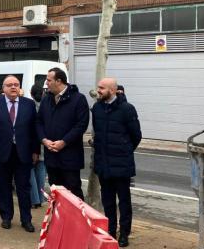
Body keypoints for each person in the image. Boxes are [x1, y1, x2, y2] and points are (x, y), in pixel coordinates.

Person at [0, 75, 40, 233]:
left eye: (16, 84)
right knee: (4, 186)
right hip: (2, 152)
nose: (13, 87)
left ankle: (26, 219)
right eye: (10, 85)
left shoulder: (29, 104)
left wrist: (36, 150)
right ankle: (6, 217)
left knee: (24, 187)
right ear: (3, 88)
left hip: (24, 152)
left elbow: (34, 130)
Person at [93, 78, 142, 248]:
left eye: (101, 88)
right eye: (98, 87)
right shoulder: (97, 108)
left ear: (112, 90)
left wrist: (124, 150)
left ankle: (124, 233)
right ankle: (111, 231)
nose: (98, 90)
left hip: (121, 164)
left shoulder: (127, 109)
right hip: (103, 164)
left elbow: (136, 136)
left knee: (124, 201)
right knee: (107, 201)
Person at [37, 67, 90, 200]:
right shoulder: (46, 99)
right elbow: (38, 122)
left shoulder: (78, 99)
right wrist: (44, 140)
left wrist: (64, 142)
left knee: (73, 193)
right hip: (51, 156)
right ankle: (58, 220)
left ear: (59, 81)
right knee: (55, 192)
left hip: (70, 157)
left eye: (49, 80)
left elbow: (81, 125)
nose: (46, 83)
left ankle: (77, 221)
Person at [29, 84, 46, 209]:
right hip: (45, 142)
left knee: (29, 172)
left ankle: (34, 199)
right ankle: (40, 198)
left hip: (32, 143)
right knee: (41, 171)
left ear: (31, 94)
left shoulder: (29, 107)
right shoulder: (47, 106)